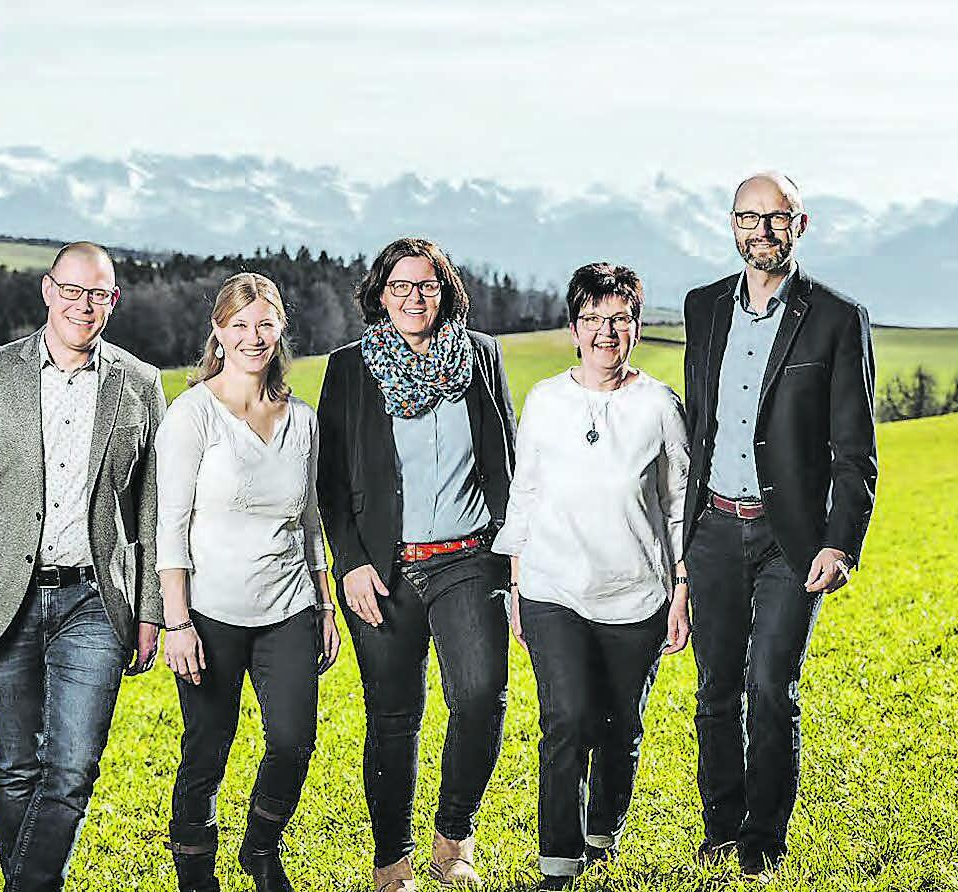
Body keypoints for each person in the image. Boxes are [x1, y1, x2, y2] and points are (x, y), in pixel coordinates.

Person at [0, 242, 166, 891]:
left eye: (99, 294)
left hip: (97, 602)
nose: (85, 306)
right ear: (49, 291)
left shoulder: (140, 382)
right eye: (73, 291)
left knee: (73, 768)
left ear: (113, 301)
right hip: (4, 596)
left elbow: (152, 508)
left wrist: (151, 613)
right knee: (16, 765)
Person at [682, 173, 877, 878]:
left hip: (788, 539)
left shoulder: (836, 317)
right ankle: (720, 830)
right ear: (731, 224)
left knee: (770, 686)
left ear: (800, 223)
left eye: (775, 217)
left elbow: (854, 449)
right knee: (715, 690)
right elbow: (698, 423)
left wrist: (840, 542)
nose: (760, 230)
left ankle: (761, 841)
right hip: (710, 528)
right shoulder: (703, 306)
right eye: (747, 217)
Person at [317, 237, 516, 892]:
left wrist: (513, 554)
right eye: (399, 286)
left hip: (468, 558)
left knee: (480, 695)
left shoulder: (480, 355)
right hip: (382, 571)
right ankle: (392, 861)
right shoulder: (350, 368)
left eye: (426, 285)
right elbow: (329, 480)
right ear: (380, 295)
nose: (413, 297)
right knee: (393, 715)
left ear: (445, 291)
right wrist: (349, 562)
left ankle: (453, 837)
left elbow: (505, 459)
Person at [493, 263, 692, 890]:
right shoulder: (545, 401)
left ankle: (602, 829)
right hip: (553, 588)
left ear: (637, 327)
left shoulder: (659, 406)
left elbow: (678, 504)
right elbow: (524, 494)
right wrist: (518, 584)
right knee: (568, 719)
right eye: (593, 319)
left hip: (637, 593)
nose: (606, 331)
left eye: (619, 319)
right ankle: (558, 861)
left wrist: (682, 589)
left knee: (619, 726)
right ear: (573, 329)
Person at [156, 272, 341, 892]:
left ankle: (260, 846)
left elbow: (310, 521)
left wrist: (325, 605)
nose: (253, 337)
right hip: (209, 614)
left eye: (264, 324)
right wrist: (177, 622)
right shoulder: (192, 414)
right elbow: (170, 525)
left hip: (289, 608)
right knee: (207, 749)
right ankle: (195, 875)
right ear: (219, 331)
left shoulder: (303, 420)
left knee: (293, 742)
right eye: (239, 325)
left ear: (281, 328)